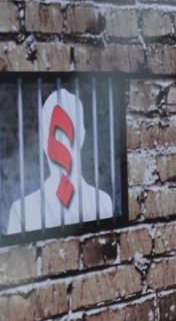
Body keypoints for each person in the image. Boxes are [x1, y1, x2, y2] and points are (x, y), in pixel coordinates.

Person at [7, 88, 114, 234]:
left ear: (82, 136)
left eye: (67, 133)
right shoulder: (20, 213)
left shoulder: (103, 203)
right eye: (55, 134)